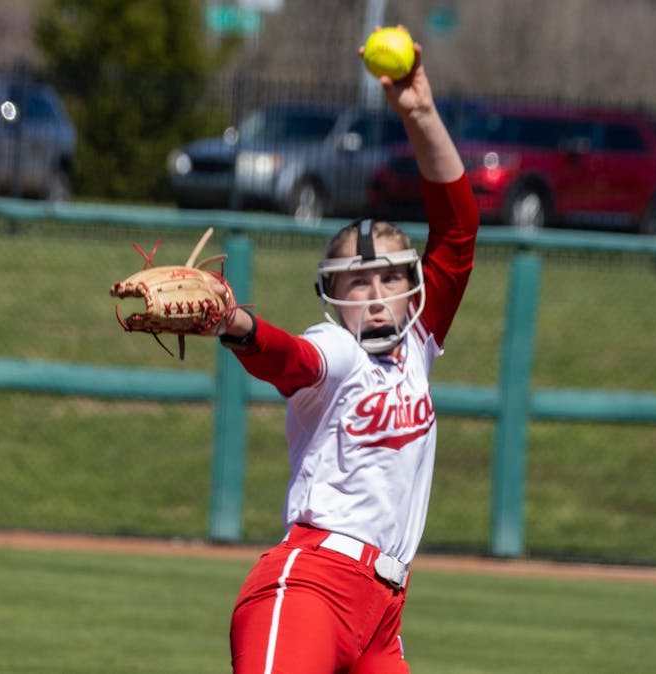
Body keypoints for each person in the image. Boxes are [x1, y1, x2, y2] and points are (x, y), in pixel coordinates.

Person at [219, 30, 479, 674]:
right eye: (356, 281)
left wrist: (420, 113)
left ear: (412, 287)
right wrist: (237, 324)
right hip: (310, 587)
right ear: (332, 296)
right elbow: (290, 360)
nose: (376, 292)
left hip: (382, 612)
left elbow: (458, 229)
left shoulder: (418, 345)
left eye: (391, 276)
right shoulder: (336, 347)